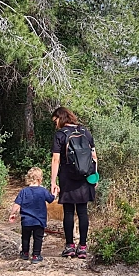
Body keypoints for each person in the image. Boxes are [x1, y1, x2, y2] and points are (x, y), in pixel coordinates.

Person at [50, 106, 97, 259]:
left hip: (68, 177)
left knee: (69, 212)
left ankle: (70, 246)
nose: (55, 124)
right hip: (85, 177)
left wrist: (53, 182)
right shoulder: (85, 132)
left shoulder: (60, 135)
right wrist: (94, 176)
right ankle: (82, 247)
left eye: (55, 120)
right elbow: (94, 157)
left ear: (61, 118)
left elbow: (56, 159)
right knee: (83, 212)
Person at [9, 167, 55, 264]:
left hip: (26, 221)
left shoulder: (24, 191)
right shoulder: (43, 191)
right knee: (38, 238)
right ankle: (36, 255)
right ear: (40, 179)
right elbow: (50, 199)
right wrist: (54, 193)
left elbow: (17, 204)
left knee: (25, 237)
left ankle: (25, 253)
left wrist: (13, 214)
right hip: (39, 221)